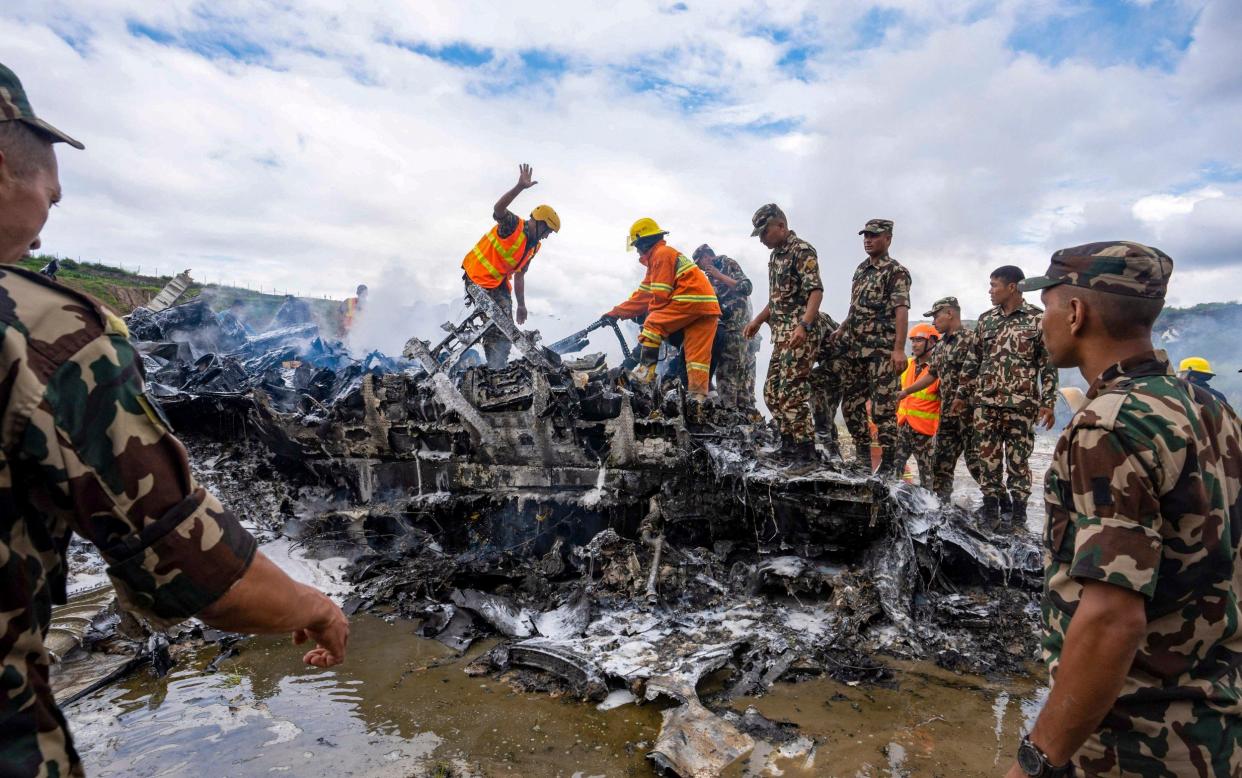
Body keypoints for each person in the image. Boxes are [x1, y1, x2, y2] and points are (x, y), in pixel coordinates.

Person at [0, 62, 349, 778]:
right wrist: (315, 606)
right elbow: (191, 563)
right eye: (53, 200)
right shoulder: (42, 331)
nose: (41, 236)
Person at [1006, 241, 1242, 778]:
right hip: (1216, 726)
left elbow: (1112, 618)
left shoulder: (1105, 427)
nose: (1042, 323)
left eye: (1046, 308)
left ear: (1075, 312)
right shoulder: (1209, 407)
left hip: (1132, 743)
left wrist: (1037, 758)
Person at [955, 266, 1057, 529]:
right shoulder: (986, 320)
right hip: (986, 404)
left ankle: (1019, 518)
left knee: (1018, 462)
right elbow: (972, 361)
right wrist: (961, 394)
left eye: (994, 285)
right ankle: (991, 513)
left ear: (1012, 287)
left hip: (1021, 405)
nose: (990, 291)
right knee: (986, 460)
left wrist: (1048, 402)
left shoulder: (1038, 319)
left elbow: (1048, 364)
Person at [742, 204, 825, 472]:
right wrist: (758, 320)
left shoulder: (801, 250)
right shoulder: (776, 256)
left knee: (791, 392)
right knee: (771, 393)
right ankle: (789, 447)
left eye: (765, 232)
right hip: (780, 335)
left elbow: (816, 291)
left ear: (781, 226)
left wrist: (804, 325)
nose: (763, 239)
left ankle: (806, 455)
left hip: (798, 334)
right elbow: (777, 299)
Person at [826, 219, 911, 475]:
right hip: (856, 353)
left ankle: (889, 466)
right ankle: (863, 459)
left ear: (888, 239)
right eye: (865, 235)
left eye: (874, 236)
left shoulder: (896, 271)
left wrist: (898, 349)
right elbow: (856, 308)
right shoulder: (861, 269)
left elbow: (901, 311)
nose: (868, 240)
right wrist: (842, 328)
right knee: (850, 406)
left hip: (882, 353)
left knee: (884, 412)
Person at [603, 218, 720, 399]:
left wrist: (650, 315)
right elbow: (642, 296)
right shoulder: (664, 256)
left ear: (643, 242)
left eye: (636, 245)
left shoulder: (660, 254)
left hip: (690, 299)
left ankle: (645, 374)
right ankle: (697, 398)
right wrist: (617, 312)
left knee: (653, 323)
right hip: (707, 307)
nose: (636, 250)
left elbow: (660, 295)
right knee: (697, 358)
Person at [462, 164, 560, 369]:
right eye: (547, 230)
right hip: (478, 276)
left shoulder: (534, 247)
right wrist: (519, 187)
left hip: (496, 283)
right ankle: (495, 368)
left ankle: (496, 366)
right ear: (539, 222)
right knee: (502, 325)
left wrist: (522, 305)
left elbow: (520, 275)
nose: (547, 235)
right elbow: (498, 210)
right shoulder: (513, 225)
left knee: (506, 325)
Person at [900, 296, 981, 500]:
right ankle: (940, 507)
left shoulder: (972, 339)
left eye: (936, 316)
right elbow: (932, 374)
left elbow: (981, 373)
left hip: (970, 414)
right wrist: (906, 392)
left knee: (977, 464)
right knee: (940, 465)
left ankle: (998, 507)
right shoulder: (942, 345)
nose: (934, 322)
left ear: (950, 313)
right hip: (947, 416)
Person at [692, 243, 756, 413]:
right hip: (724, 329)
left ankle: (731, 413)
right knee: (730, 373)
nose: (700, 267)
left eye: (700, 263)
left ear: (707, 256)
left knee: (730, 374)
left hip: (737, 329)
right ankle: (739, 415)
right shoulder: (709, 278)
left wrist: (719, 276)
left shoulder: (727, 264)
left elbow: (746, 287)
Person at [894, 323, 940, 487]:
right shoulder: (905, 364)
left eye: (919, 340)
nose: (914, 344)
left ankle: (930, 508)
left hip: (925, 432)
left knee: (927, 477)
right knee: (894, 472)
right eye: (913, 340)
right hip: (902, 426)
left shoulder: (938, 369)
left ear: (932, 341)